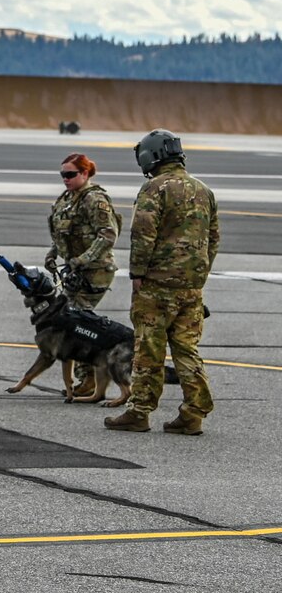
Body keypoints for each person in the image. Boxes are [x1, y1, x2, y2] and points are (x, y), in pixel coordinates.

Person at [106, 129, 219, 435]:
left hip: (156, 286)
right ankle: (193, 414)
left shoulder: (154, 189)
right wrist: (198, 277)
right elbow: (213, 239)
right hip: (191, 288)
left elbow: (143, 234)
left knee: (148, 350)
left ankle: (139, 412)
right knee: (187, 350)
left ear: (150, 156)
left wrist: (138, 274)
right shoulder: (203, 190)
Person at [46, 151, 121, 397]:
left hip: (96, 272)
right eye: (63, 175)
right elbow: (63, 234)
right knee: (69, 320)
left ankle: (89, 378)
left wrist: (83, 259)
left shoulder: (94, 199)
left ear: (85, 173)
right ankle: (87, 378)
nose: (65, 179)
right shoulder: (66, 199)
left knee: (77, 323)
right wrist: (53, 253)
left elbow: (108, 234)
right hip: (76, 271)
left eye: (70, 174)